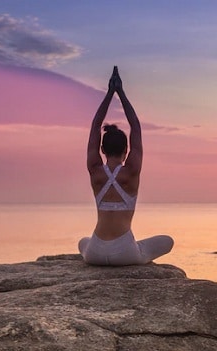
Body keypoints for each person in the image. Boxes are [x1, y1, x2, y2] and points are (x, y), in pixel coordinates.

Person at [78, 66, 174, 266]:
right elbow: (136, 127)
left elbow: (96, 126)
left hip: (95, 252)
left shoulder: (95, 169)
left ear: (102, 150)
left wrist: (109, 94)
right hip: (125, 253)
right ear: (126, 151)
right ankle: (132, 248)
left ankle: (101, 250)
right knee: (168, 241)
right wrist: (120, 92)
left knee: (83, 242)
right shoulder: (131, 171)